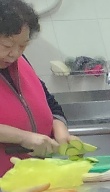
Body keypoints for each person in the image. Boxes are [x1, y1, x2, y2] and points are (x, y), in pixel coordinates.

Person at [0, 0, 78, 174]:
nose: (15, 53)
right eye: (7, 46)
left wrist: (61, 133)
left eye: (22, 46)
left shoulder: (20, 63)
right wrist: (23, 137)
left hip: (35, 176)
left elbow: (50, 104)